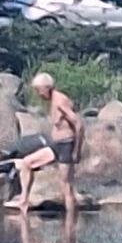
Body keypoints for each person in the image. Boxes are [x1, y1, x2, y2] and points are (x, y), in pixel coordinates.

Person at [13, 68, 84, 221]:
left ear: (47, 87)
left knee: (66, 185)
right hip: (56, 145)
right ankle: (23, 201)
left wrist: (76, 151)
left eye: (39, 90)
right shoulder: (52, 101)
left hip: (67, 145)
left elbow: (79, 124)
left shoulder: (60, 101)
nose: (39, 94)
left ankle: (71, 222)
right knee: (27, 163)